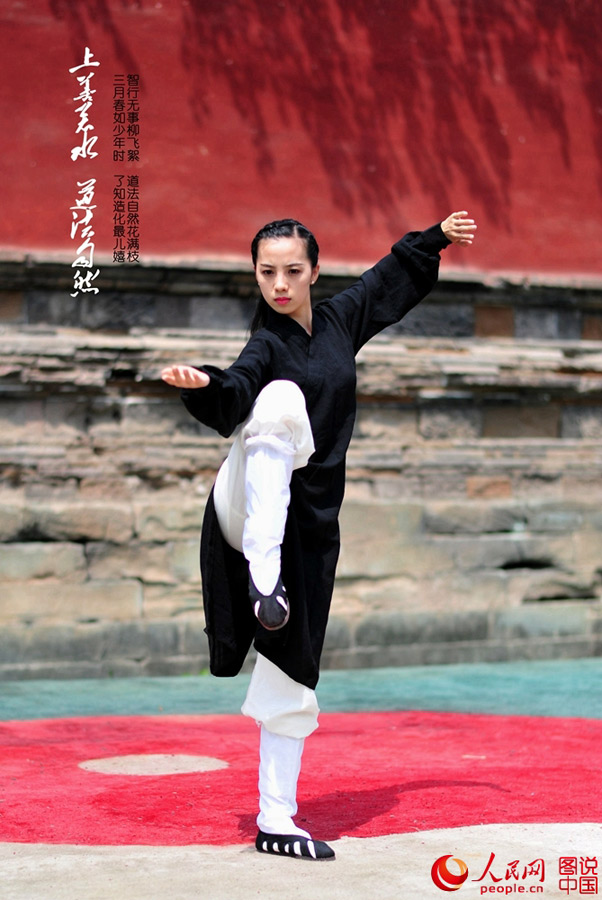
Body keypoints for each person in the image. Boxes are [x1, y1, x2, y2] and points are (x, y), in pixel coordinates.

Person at [161, 210, 477, 861]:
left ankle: (278, 818)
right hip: (244, 511)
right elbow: (238, 389)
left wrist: (435, 237)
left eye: (292, 271)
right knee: (275, 399)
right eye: (266, 271)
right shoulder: (265, 344)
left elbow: (388, 282)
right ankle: (263, 575)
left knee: (292, 671)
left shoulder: (338, 322)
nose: (279, 283)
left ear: (313, 272)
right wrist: (205, 383)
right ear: (254, 273)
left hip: (311, 526)